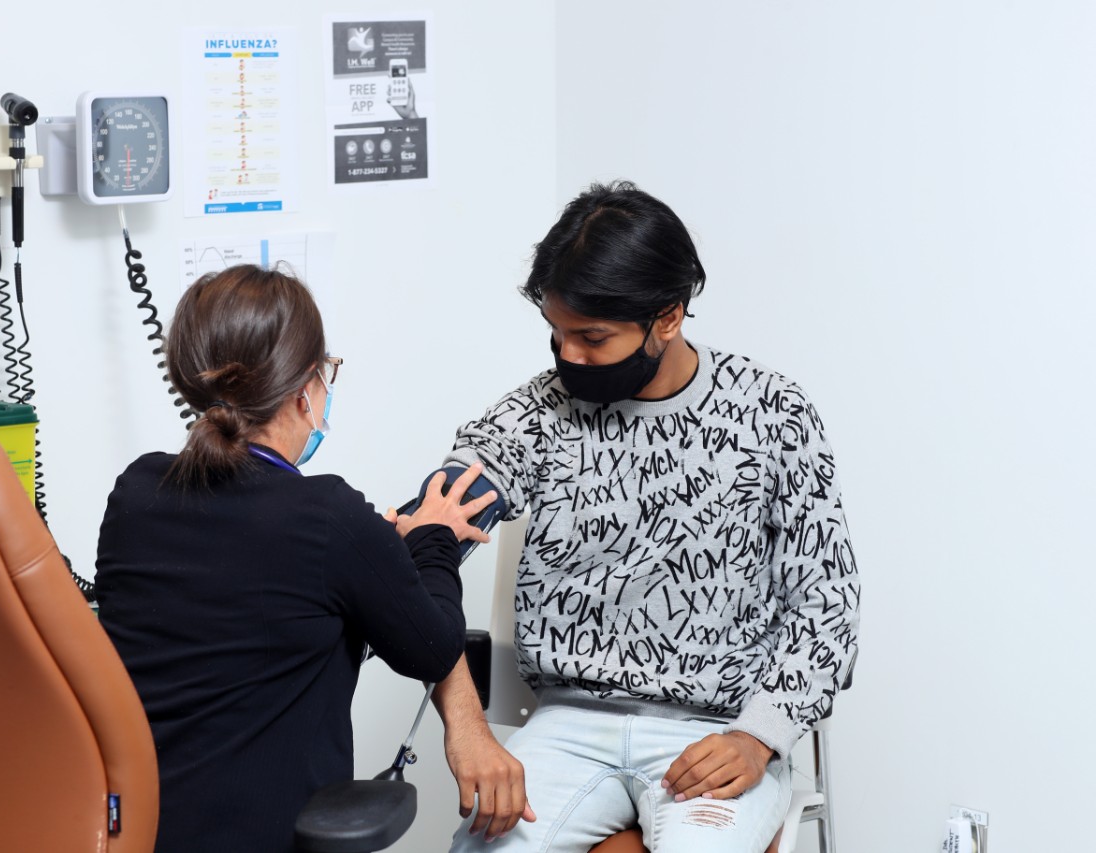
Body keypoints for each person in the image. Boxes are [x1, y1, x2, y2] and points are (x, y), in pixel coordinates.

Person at [433, 182, 861, 853]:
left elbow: (828, 603)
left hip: (716, 728)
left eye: (592, 337)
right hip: (569, 724)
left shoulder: (771, 412)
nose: (568, 357)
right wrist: (466, 725)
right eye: (556, 335)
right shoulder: (536, 415)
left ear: (669, 317)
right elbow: (423, 541)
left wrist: (758, 736)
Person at [94, 264, 498, 853]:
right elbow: (433, 648)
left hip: (139, 831)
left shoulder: (136, 490)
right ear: (306, 387)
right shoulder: (327, 516)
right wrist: (430, 539)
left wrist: (369, 554)